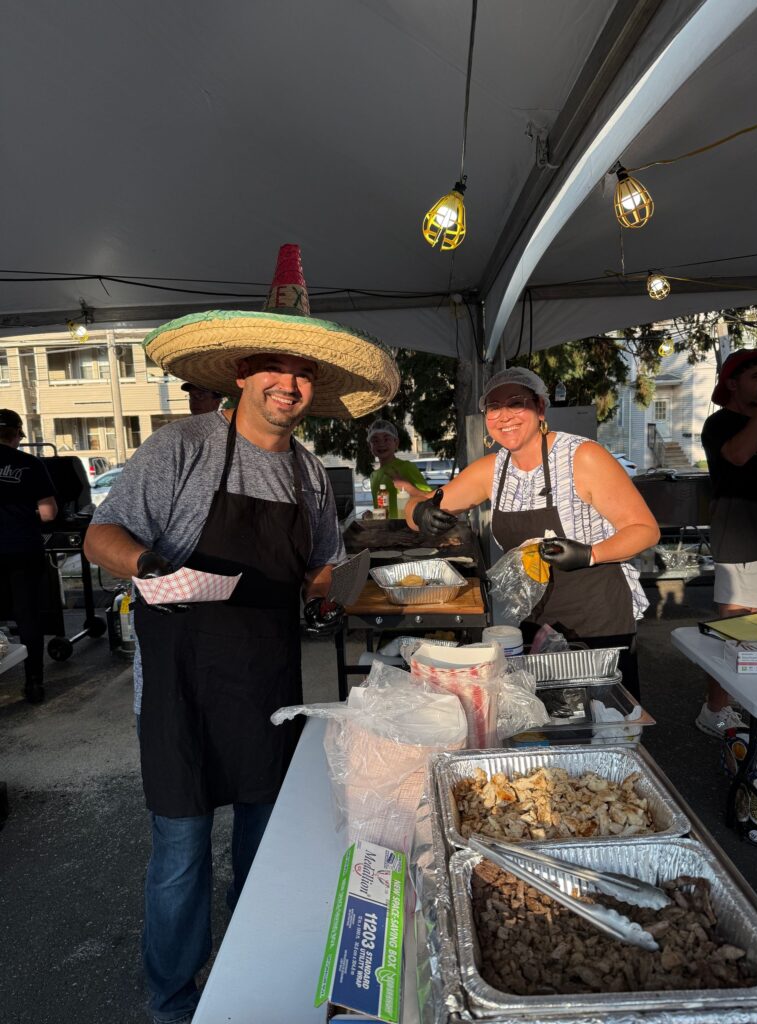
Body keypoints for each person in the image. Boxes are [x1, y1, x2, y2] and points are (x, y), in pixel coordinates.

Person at [83, 244, 399, 1024]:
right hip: (182, 692)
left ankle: (253, 988)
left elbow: (319, 568)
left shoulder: (308, 473)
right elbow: (101, 535)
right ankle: (171, 1001)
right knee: (180, 858)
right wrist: (149, 564)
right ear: (242, 374)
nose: (288, 384)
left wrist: (340, 589)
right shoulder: (182, 447)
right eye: (273, 368)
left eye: (303, 373)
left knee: (265, 850)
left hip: (267, 689)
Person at [405, 368, 660, 698]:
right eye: (494, 407)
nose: (504, 416)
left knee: (602, 712)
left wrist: (590, 553)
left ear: (540, 408)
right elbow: (417, 506)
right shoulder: (491, 471)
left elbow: (645, 530)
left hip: (597, 615)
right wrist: (420, 512)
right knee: (546, 711)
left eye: (516, 403)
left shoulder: (583, 457)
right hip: (536, 618)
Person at [697, 349, 757, 736]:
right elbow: (739, 455)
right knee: (738, 624)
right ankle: (715, 709)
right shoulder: (719, 423)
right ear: (732, 384)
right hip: (739, 524)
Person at [0, 409, 57, 704]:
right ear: (17, 435)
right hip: (23, 549)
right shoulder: (30, 464)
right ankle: (34, 683)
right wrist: (24, 515)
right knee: (28, 618)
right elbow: (48, 514)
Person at [367, 418, 431, 517]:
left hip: (406, 526)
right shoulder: (373, 476)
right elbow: (384, 510)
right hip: (385, 527)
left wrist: (407, 487)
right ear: (369, 446)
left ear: (396, 443)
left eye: (386, 439)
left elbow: (430, 499)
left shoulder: (406, 467)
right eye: (375, 440)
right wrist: (373, 515)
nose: (381, 444)